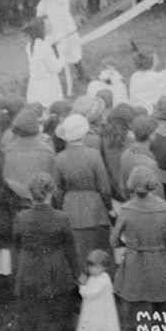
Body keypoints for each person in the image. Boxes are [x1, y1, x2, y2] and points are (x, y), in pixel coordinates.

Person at [111, 165, 166, 331]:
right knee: (162, 306)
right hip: (160, 261)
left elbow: (113, 240)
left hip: (135, 263)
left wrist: (129, 242)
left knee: (139, 307)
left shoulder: (126, 209)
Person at [12, 172, 79, 331]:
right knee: (57, 316)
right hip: (55, 272)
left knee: (30, 319)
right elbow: (70, 251)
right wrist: (77, 275)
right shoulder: (61, 218)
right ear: (52, 193)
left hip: (29, 272)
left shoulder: (21, 218)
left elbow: (16, 245)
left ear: (31, 194)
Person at [53, 114, 113, 269]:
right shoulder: (94, 155)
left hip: (70, 207)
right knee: (97, 249)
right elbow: (104, 187)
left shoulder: (60, 158)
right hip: (95, 207)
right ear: (84, 134)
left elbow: (57, 190)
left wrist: (61, 207)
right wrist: (108, 207)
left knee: (76, 250)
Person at [76, 249, 121, 331]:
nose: (93, 270)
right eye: (91, 267)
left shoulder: (104, 279)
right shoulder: (92, 278)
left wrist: (81, 286)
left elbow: (91, 293)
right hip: (91, 312)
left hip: (101, 313)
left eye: (96, 267)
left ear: (104, 267)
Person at [128, 36, 166, 114]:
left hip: (137, 112)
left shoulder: (134, 77)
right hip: (153, 114)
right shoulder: (158, 78)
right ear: (152, 63)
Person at [24, 17, 65, 109]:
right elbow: (56, 68)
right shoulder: (44, 47)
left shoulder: (30, 45)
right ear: (41, 29)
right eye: (47, 24)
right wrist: (62, 55)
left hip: (35, 85)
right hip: (47, 86)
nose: (50, 26)